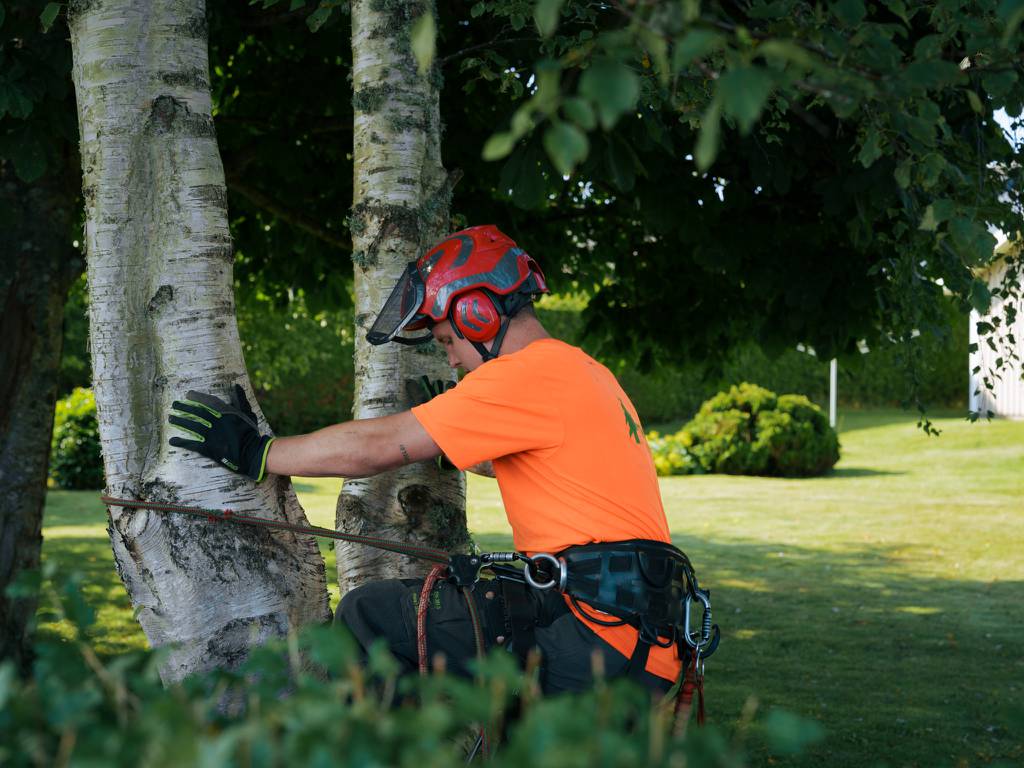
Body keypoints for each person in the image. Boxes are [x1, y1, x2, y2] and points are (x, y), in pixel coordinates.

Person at [168, 224, 693, 696]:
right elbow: (539, 468)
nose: (451, 358)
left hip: (594, 633)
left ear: (476, 313)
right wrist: (449, 441)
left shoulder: (522, 375)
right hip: (638, 635)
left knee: (369, 615)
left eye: (446, 340)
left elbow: (375, 447)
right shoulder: (585, 372)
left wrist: (259, 451)